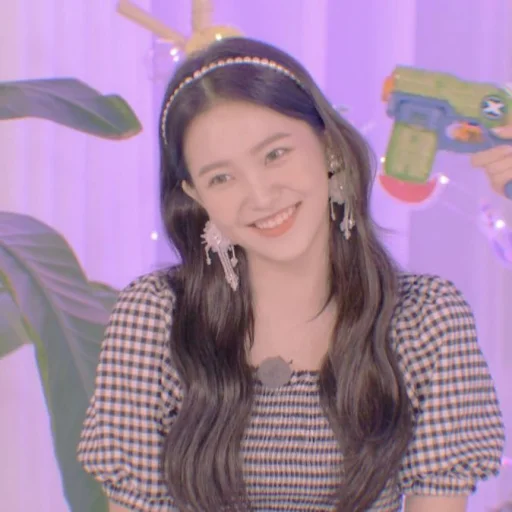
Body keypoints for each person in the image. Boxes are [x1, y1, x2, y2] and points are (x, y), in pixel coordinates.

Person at [77, 37, 505, 512]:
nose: (261, 196)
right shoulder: (154, 317)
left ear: (329, 148)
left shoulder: (425, 319)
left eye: (275, 154)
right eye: (221, 178)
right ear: (196, 197)